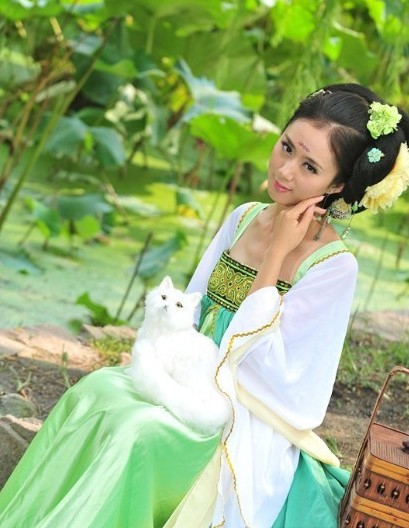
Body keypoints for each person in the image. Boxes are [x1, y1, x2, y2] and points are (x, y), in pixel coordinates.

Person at [0, 83, 408, 528]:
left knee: (138, 431)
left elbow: (284, 382)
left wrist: (276, 256)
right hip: (188, 375)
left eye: (309, 166)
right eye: (287, 147)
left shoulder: (333, 266)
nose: (285, 170)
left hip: (245, 413)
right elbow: (189, 312)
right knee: (94, 393)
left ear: (338, 185)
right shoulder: (244, 217)